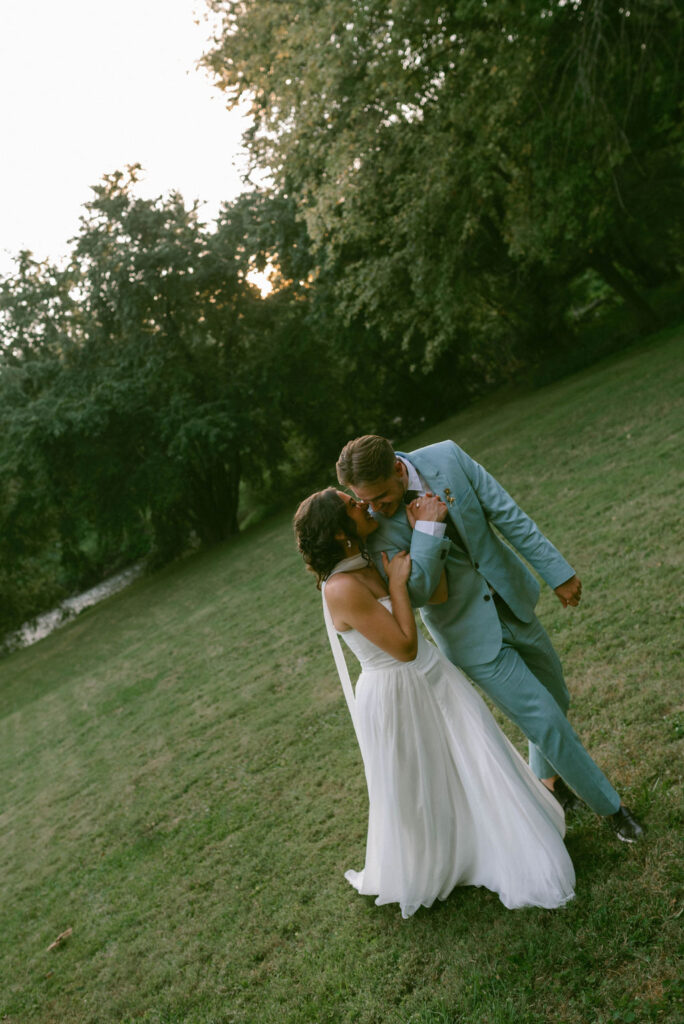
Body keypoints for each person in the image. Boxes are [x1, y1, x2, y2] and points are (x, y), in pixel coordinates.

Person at [335, 435, 644, 843]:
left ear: (397, 469)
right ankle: (614, 811)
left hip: (513, 599)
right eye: (365, 501)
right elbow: (420, 593)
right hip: (467, 633)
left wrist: (558, 572)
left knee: (557, 699)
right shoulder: (373, 530)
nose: (374, 508)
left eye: (380, 497)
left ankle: (546, 784)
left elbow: (506, 513)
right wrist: (428, 528)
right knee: (546, 720)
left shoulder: (446, 457)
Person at [294, 487, 576, 918]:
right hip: (396, 693)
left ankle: (494, 838)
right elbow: (404, 646)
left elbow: (438, 594)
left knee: (477, 755)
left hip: (435, 674)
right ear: (338, 534)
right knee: (421, 786)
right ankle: (444, 855)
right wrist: (398, 586)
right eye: (352, 504)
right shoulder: (340, 588)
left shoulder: (370, 554)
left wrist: (424, 533)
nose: (364, 504)